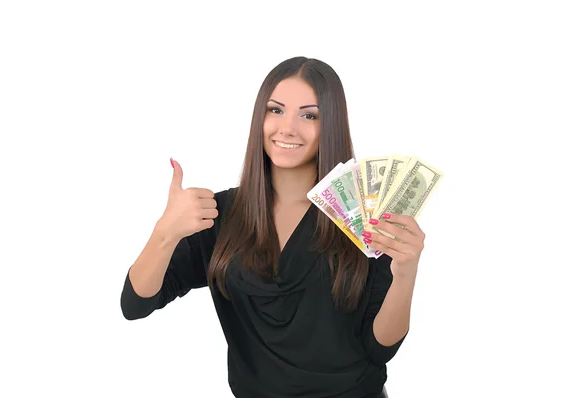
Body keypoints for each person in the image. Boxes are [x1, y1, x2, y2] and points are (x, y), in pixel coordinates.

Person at [120, 56, 426, 398]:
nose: (287, 128)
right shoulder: (219, 214)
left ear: (332, 125)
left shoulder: (363, 215)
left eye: (309, 115)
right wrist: (166, 232)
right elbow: (136, 304)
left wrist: (406, 271)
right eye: (275, 110)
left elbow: (381, 347)